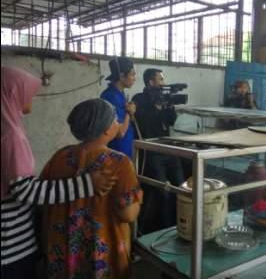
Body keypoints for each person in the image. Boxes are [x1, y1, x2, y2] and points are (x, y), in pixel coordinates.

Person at [1, 67, 115, 278]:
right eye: (28, 92)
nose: (32, 98)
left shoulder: (59, 155)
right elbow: (23, 190)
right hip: (11, 246)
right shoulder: (11, 135)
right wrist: (87, 184)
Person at [40, 98, 142, 278]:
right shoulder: (120, 162)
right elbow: (128, 214)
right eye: (115, 120)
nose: (118, 123)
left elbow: (44, 196)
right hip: (102, 251)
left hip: (63, 249)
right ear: (106, 129)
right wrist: (138, 198)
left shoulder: (60, 156)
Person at [132, 69, 184, 233]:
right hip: (152, 152)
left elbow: (171, 121)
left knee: (182, 187)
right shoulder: (139, 99)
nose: (163, 82)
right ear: (151, 82)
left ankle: (180, 224)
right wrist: (156, 106)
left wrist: (168, 105)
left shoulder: (166, 98)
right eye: (160, 79)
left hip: (168, 149)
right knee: (163, 192)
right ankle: (164, 230)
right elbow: (144, 122)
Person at [100, 58, 137, 158]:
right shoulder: (111, 96)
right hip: (117, 152)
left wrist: (130, 113)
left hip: (126, 149)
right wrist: (129, 113)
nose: (134, 78)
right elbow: (120, 133)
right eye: (132, 74)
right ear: (121, 76)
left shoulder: (120, 93)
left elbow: (126, 121)